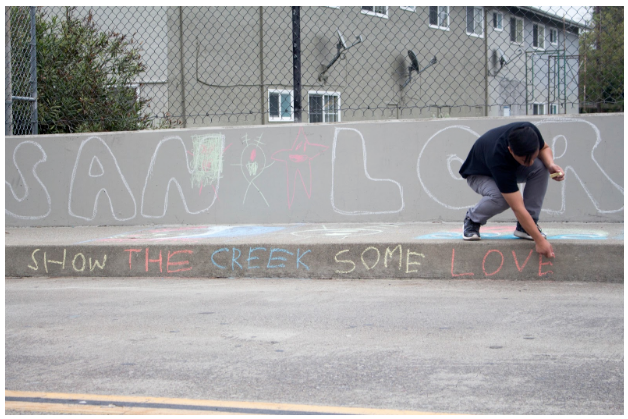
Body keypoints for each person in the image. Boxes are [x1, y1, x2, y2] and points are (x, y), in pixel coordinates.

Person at [459, 121, 564, 258]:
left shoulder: (530, 132)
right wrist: (539, 240)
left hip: (509, 167)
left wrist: (550, 164)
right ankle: (472, 220)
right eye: (524, 160)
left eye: (532, 157)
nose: (529, 163)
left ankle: (524, 227)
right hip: (479, 174)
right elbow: (517, 207)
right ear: (510, 150)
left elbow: (544, 148)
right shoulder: (498, 158)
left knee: (541, 167)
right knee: (502, 198)